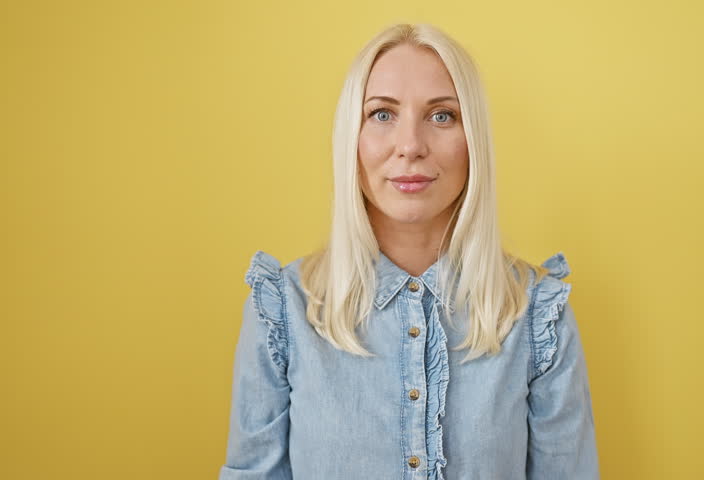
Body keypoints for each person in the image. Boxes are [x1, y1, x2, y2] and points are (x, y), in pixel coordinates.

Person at [219, 22, 600, 480]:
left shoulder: (538, 315)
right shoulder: (283, 310)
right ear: (351, 140)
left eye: (442, 116)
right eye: (381, 114)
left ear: (473, 140)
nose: (411, 146)